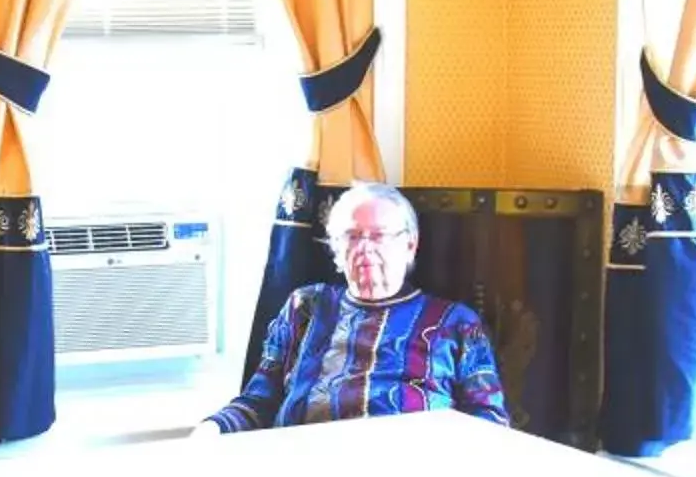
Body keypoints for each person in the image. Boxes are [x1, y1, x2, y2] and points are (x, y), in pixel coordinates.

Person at [196, 181, 510, 435]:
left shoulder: (455, 324)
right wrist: (209, 431)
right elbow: (259, 400)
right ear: (336, 247)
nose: (364, 248)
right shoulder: (305, 307)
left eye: (378, 236)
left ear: (409, 244)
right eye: (352, 236)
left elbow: (490, 420)